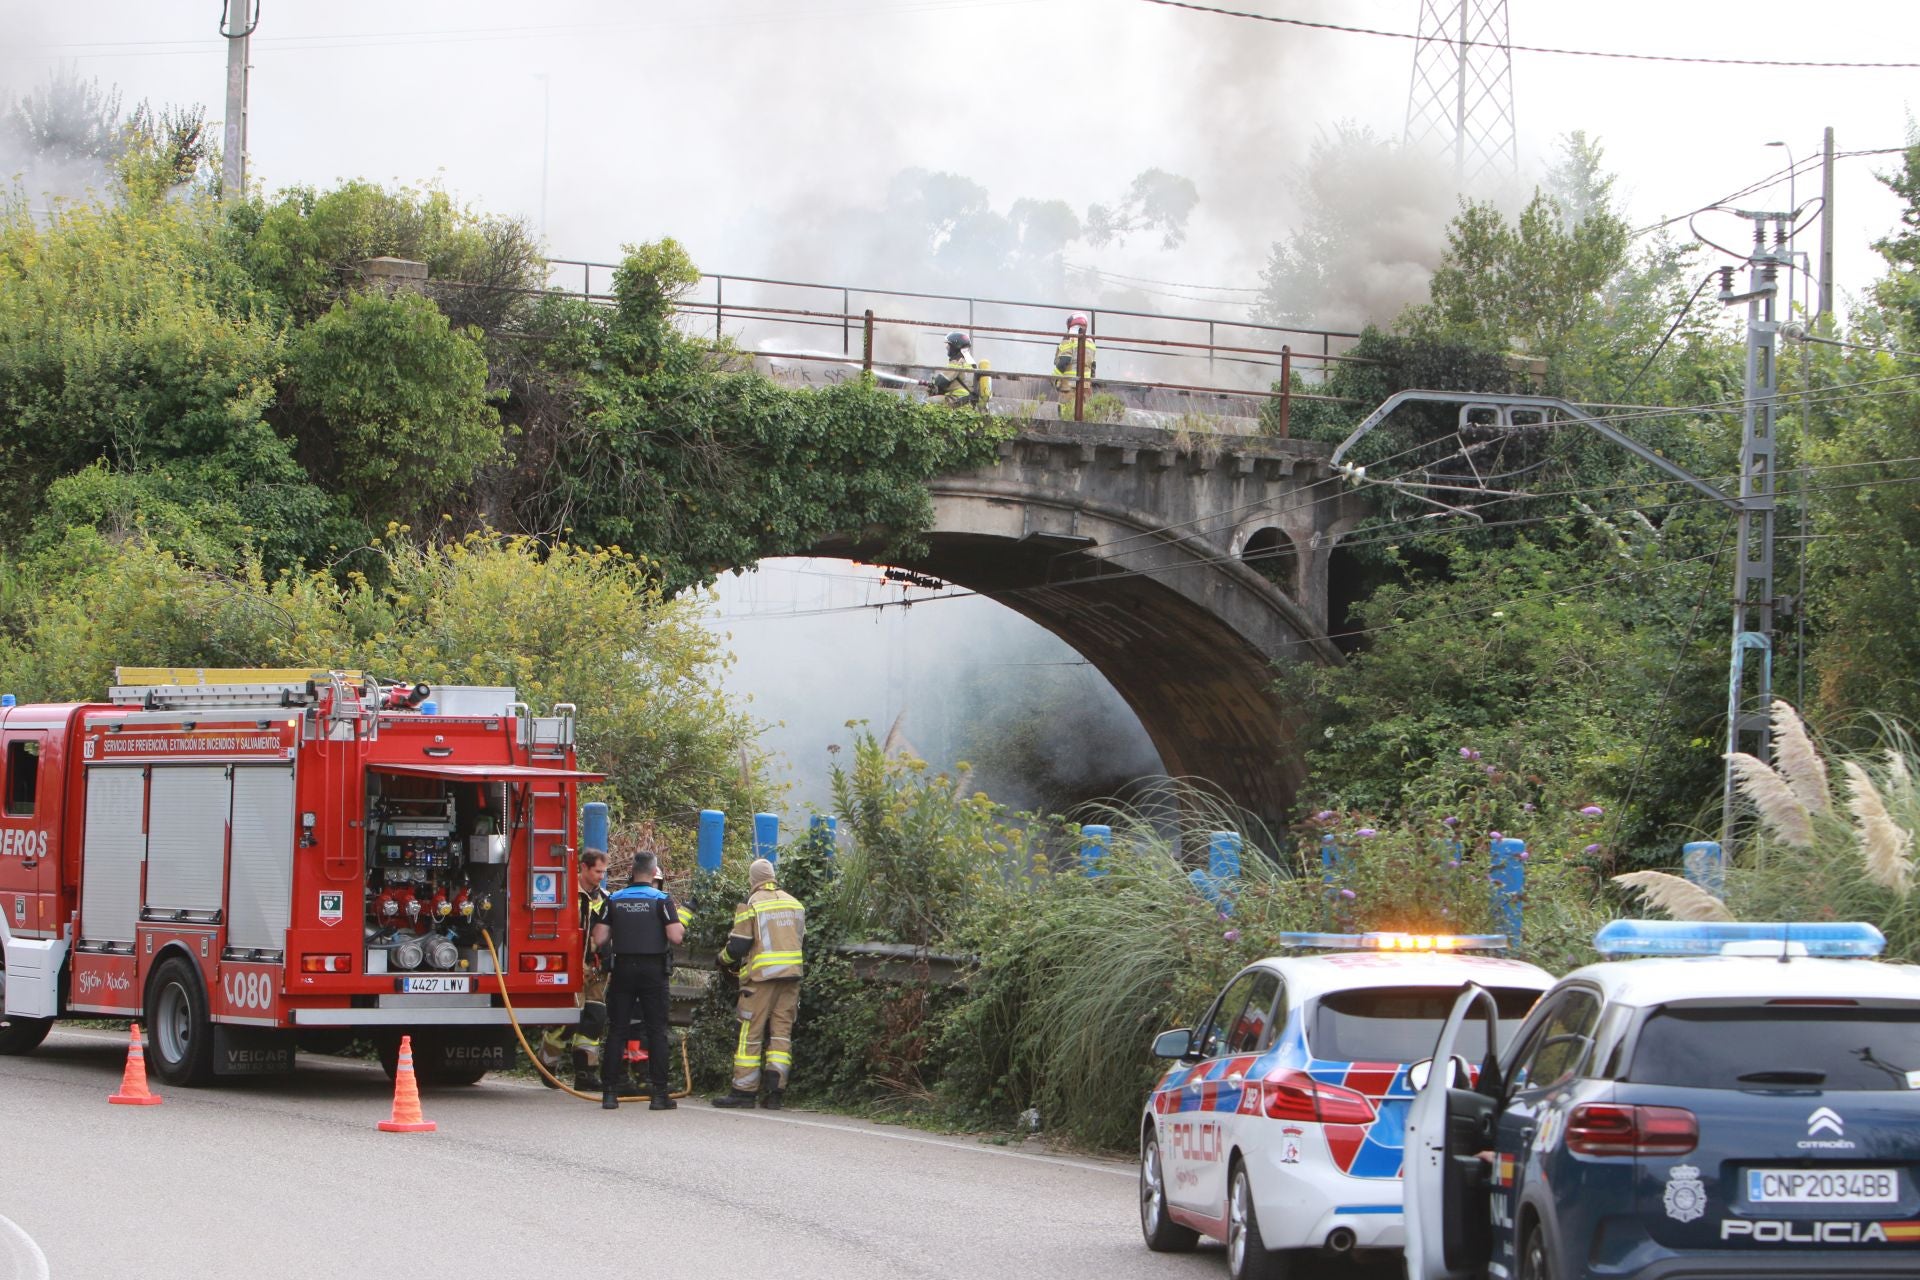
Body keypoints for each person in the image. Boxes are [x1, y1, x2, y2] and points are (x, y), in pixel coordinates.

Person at [591, 850, 684, 1111]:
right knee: (656, 1030)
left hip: (622, 968)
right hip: (653, 970)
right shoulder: (661, 900)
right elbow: (676, 937)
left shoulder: (615, 899)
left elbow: (599, 938)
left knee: (617, 1030)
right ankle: (659, 1095)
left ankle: (609, 1094)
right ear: (655, 873)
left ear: (631, 872)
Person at [710, 858, 806, 1110]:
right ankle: (775, 1092)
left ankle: (743, 1091)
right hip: (791, 978)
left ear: (753, 880)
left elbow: (739, 945)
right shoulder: (795, 904)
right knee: (781, 1034)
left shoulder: (752, 904)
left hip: (762, 980)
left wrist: (722, 959)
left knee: (749, 1034)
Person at [540, 847, 612, 1090]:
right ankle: (547, 1064)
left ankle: (586, 1074)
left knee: (595, 1018)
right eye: (597, 871)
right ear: (583, 867)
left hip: (594, 969)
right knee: (566, 1021)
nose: (601, 876)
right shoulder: (566, 893)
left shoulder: (604, 898)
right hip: (569, 967)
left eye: (604, 872)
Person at [1053, 312, 1097, 417]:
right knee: (1083, 414)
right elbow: (1093, 367)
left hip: (1068, 386)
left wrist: (1054, 377)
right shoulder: (1091, 342)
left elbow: (1064, 360)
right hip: (1085, 386)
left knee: (1065, 413)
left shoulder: (1069, 338)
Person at [927, 331, 982, 408]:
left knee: (927, 402)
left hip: (957, 401)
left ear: (955, 347)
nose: (947, 347)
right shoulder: (971, 363)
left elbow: (940, 381)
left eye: (949, 345)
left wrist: (931, 384)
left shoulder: (957, 363)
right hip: (969, 401)